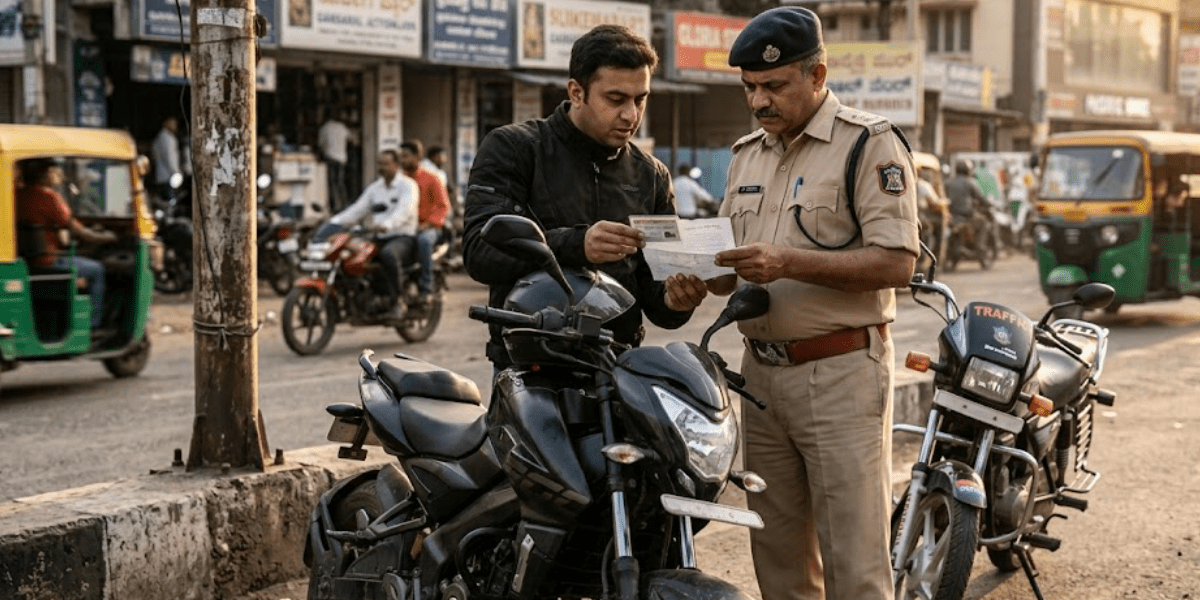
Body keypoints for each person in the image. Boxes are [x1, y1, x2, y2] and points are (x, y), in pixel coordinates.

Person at [707, 7, 919, 600]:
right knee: (777, 560)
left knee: (854, 562)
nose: (758, 101)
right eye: (750, 88)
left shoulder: (867, 145)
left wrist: (790, 262)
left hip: (840, 373)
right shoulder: (747, 153)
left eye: (774, 86)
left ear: (818, 73)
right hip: (761, 379)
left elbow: (898, 263)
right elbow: (730, 265)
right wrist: (697, 278)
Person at [463, 24, 709, 371]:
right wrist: (576, 244)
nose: (631, 115)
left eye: (640, 99)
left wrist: (677, 300)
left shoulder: (651, 175)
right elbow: (478, 251)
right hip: (531, 371)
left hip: (618, 370)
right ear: (577, 93)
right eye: (615, 99)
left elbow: (657, 299)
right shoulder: (514, 148)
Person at [16, 158, 118, 331]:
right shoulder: (49, 198)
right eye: (55, 170)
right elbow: (82, 232)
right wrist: (111, 237)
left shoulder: (15, 195)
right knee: (97, 269)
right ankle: (94, 325)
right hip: (48, 262)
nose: (59, 174)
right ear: (46, 173)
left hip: (25, 262)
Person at [328, 149, 419, 320]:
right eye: (379, 164)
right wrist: (333, 223)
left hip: (402, 237)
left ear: (396, 165)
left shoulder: (408, 186)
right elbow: (357, 209)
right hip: (378, 236)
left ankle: (398, 301)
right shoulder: (375, 188)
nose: (381, 167)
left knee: (388, 254)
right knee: (354, 255)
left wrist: (387, 224)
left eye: (386, 164)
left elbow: (405, 211)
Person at [398, 140, 450, 303]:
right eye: (400, 157)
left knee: (424, 241)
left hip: (428, 227)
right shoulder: (399, 180)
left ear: (417, 156)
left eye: (406, 156)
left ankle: (426, 288)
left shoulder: (432, 179)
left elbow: (443, 206)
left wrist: (428, 224)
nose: (402, 161)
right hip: (405, 227)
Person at [318, 111, 352, 213]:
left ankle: (334, 206)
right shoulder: (342, 126)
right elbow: (351, 138)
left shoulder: (325, 128)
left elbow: (320, 144)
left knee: (332, 182)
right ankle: (345, 204)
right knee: (340, 182)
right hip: (341, 158)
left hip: (330, 157)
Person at [152, 116, 181, 203]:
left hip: (161, 175)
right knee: (171, 202)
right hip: (169, 176)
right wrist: (176, 172)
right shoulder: (168, 139)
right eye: (174, 124)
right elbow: (169, 157)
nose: (175, 127)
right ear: (167, 125)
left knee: (164, 201)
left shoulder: (159, 137)